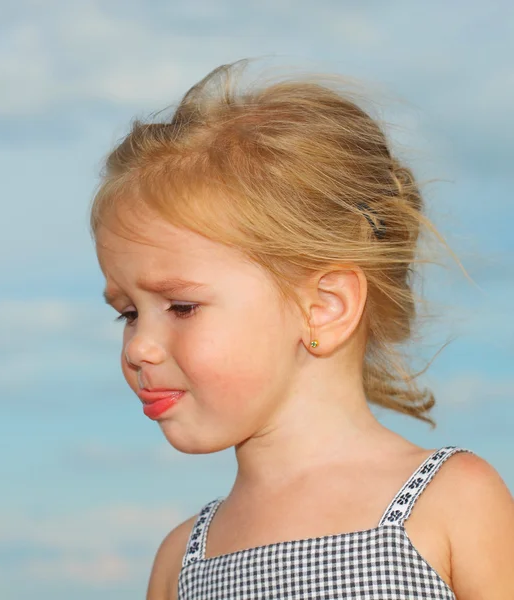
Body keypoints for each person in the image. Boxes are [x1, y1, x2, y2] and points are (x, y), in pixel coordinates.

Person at [90, 59, 514, 599]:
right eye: (128, 312)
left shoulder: (452, 503)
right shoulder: (179, 562)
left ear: (324, 307)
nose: (139, 348)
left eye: (180, 307)